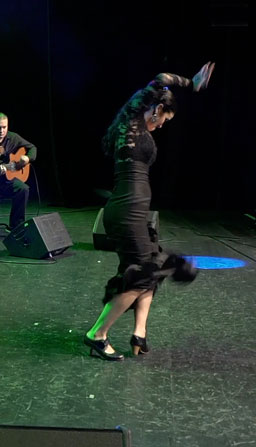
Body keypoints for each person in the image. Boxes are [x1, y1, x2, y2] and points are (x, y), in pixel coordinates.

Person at [85, 62, 214, 360]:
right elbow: (161, 78)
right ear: (157, 109)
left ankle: (139, 333)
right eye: (164, 119)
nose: (163, 125)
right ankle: (97, 335)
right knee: (143, 273)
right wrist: (191, 83)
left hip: (135, 211)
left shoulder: (139, 129)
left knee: (152, 268)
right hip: (126, 210)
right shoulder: (130, 121)